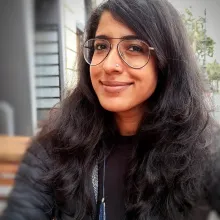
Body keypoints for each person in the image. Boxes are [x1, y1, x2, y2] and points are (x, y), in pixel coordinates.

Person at [1, 0, 220, 219]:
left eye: (134, 48)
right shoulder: (56, 146)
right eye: (101, 46)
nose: (108, 65)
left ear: (166, 61)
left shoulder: (205, 147)